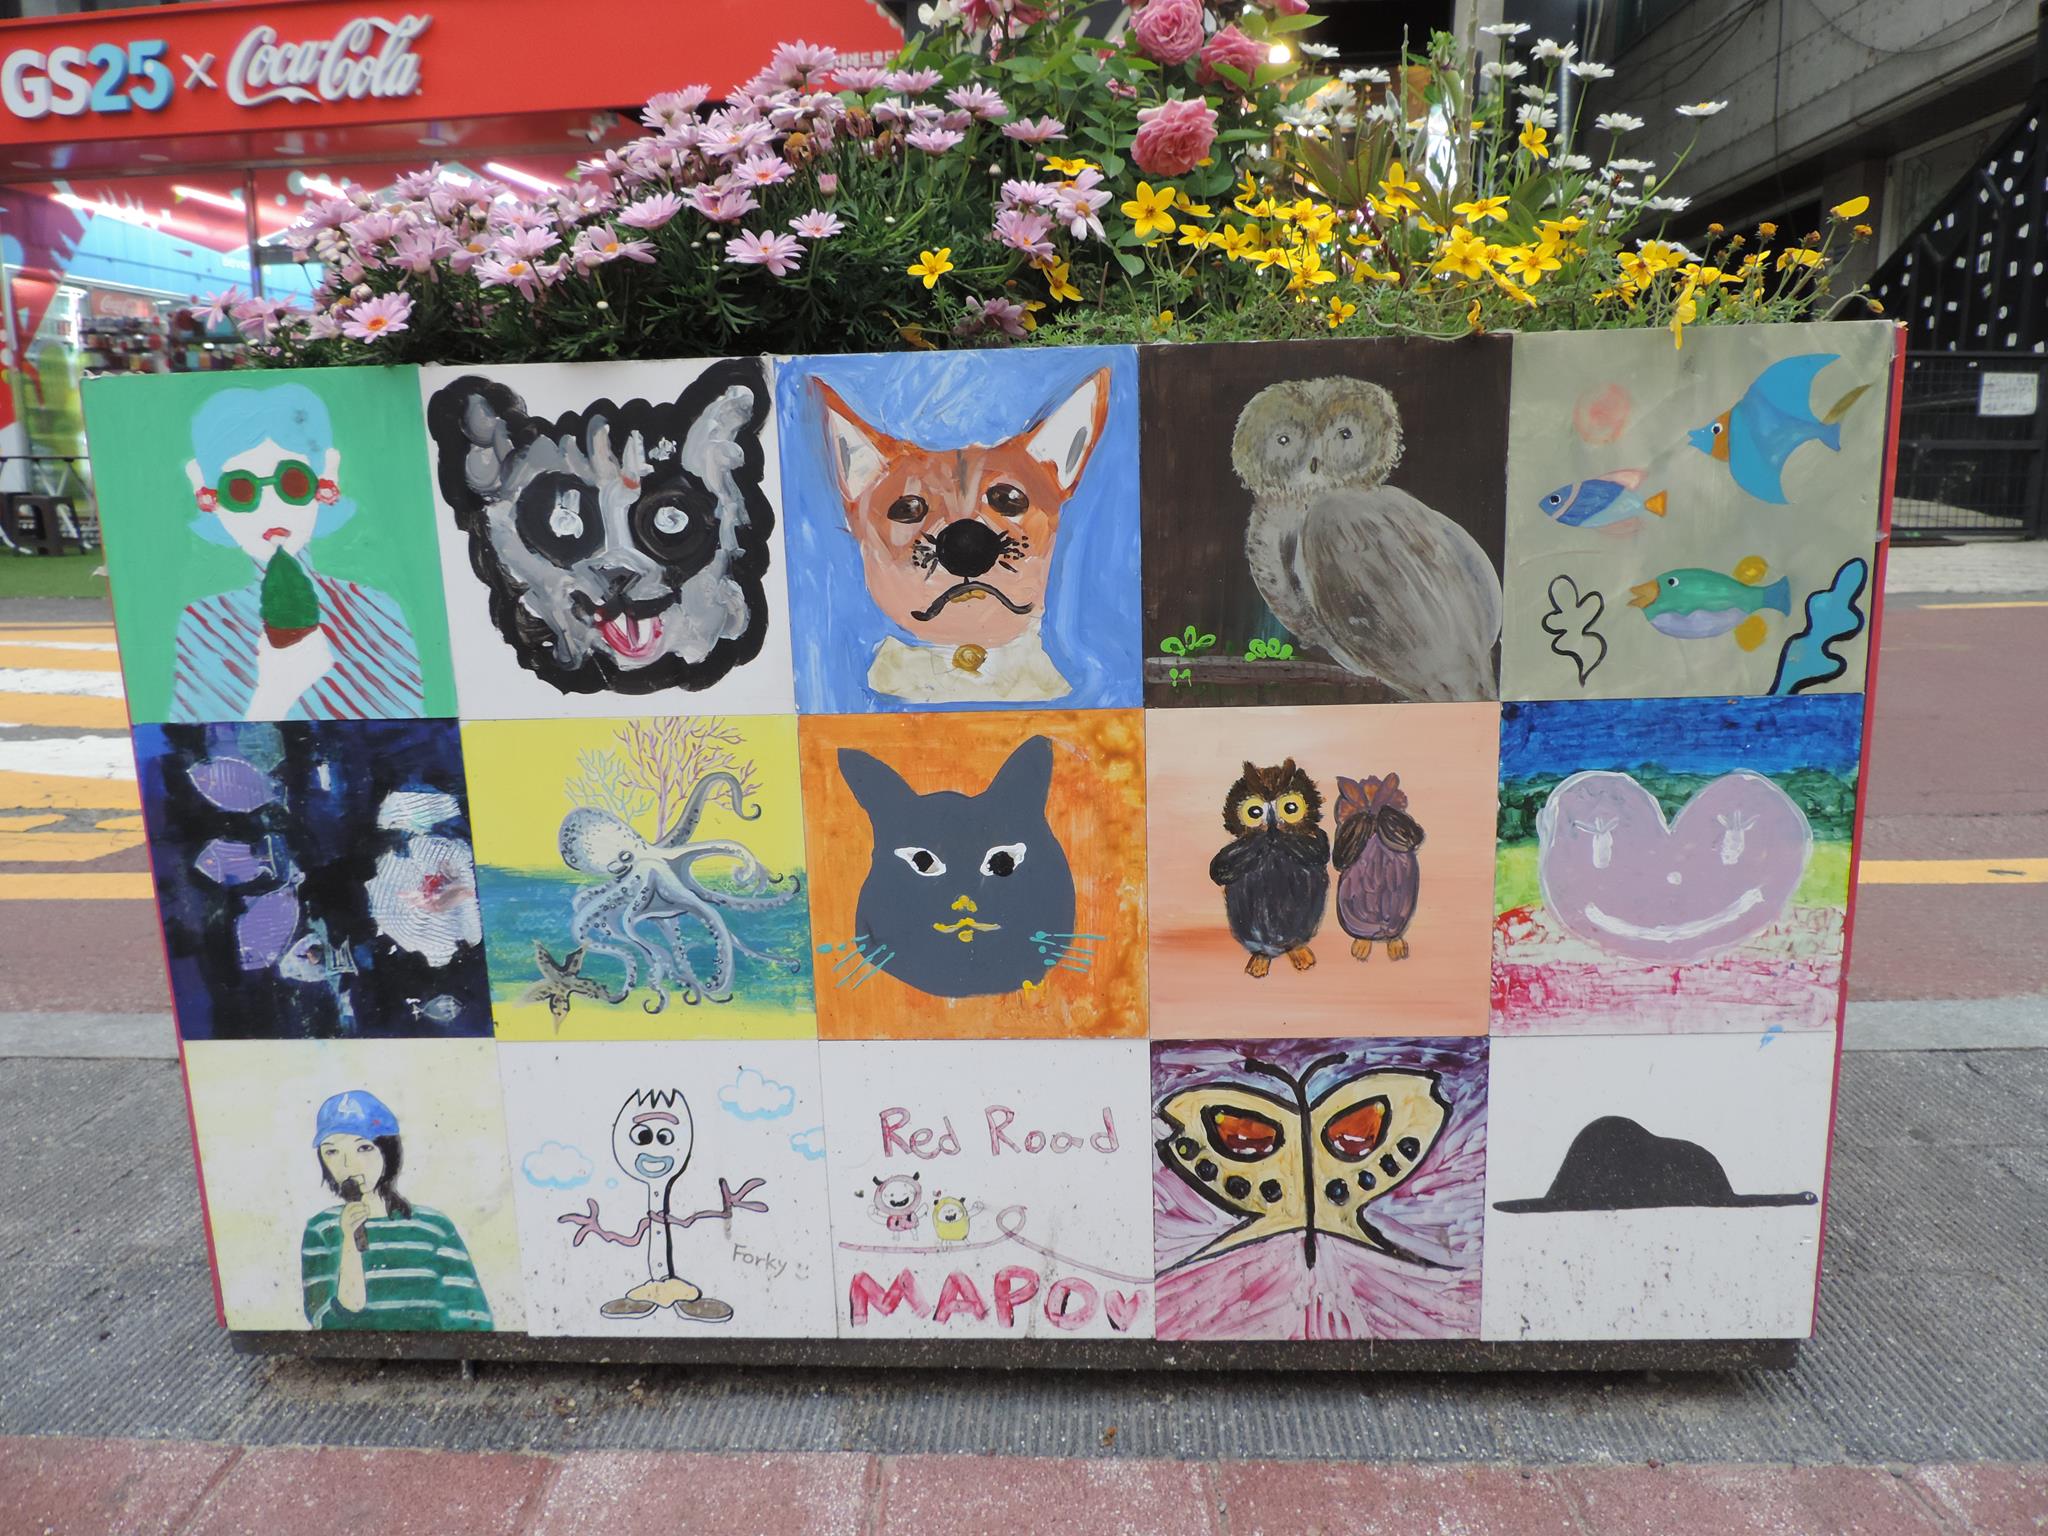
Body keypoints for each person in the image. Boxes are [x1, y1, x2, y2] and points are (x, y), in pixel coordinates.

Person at [173, 383, 424, 721]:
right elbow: (198, 748)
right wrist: (275, 694)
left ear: (325, 483)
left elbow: (416, 734)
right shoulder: (206, 624)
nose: (271, 508)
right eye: (241, 490)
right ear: (209, 498)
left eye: (293, 483)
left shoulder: (375, 609)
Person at [300, 1089, 492, 1331]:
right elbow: (326, 1323)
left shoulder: (433, 1227)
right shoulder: (321, 1229)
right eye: (332, 1151)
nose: (348, 1164)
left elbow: (471, 1316)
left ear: (388, 1151)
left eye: (364, 1148)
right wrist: (349, 1242)